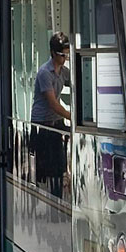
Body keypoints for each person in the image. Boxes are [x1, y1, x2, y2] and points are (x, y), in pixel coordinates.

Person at [30, 32, 71, 198]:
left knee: (59, 164)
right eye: (62, 55)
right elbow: (53, 103)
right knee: (45, 165)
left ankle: (58, 198)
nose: (65, 58)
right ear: (53, 53)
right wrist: (72, 117)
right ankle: (45, 200)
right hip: (43, 122)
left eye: (67, 54)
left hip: (56, 121)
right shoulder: (44, 73)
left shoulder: (64, 71)